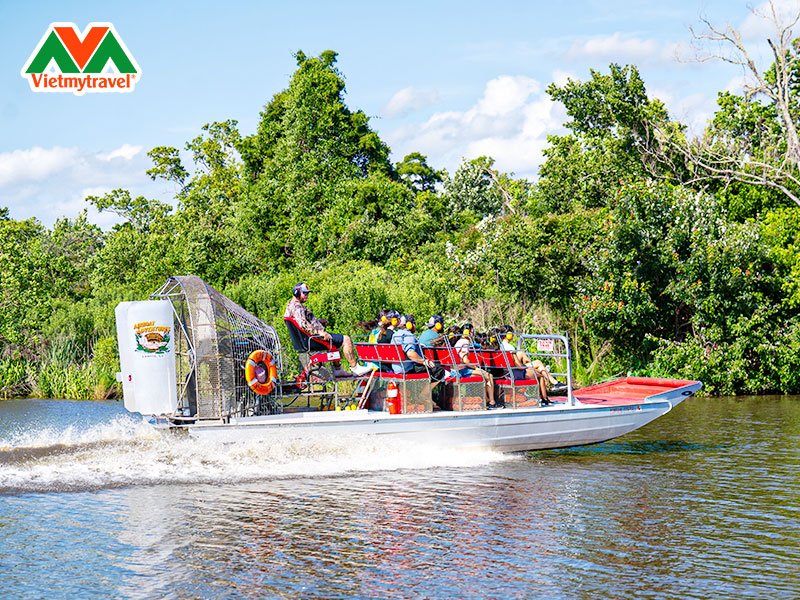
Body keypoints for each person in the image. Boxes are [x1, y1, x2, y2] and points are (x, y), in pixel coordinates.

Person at [284, 282, 371, 376]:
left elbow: (303, 322)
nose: (307, 296)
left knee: (336, 342)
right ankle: (356, 368)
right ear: (297, 293)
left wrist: (319, 322)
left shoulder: (290, 306)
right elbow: (303, 324)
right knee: (346, 339)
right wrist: (319, 332)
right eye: (304, 293)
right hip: (314, 339)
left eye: (307, 293)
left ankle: (338, 370)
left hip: (308, 339)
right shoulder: (297, 307)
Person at [500, 325, 566, 403]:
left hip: (506, 373)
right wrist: (529, 366)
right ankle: (553, 384)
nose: (513, 335)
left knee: (521, 354)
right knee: (539, 369)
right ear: (508, 334)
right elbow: (519, 366)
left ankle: (545, 373)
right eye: (512, 333)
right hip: (514, 374)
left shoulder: (500, 346)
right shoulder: (510, 347)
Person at [391, 315, 446, 408]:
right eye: (414, 323)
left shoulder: (396, 334)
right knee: (439, 371)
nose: (415, 326)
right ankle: (423, 395)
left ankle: (421, 396)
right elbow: (410, 354)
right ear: (409, 325)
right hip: (407, 369)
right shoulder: (408, 335)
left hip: (397, 368)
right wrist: (424, 361)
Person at [454, 324, 496, 407]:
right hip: (462, 371)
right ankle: (492, 402)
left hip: (458, 369)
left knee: (484, 375)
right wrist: (475, 367)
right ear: (467, 332)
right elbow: (465, 361)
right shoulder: (465, 342)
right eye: (472, 332)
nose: (473, 334)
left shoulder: (459, 341)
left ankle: (486, 399)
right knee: (489, 375)